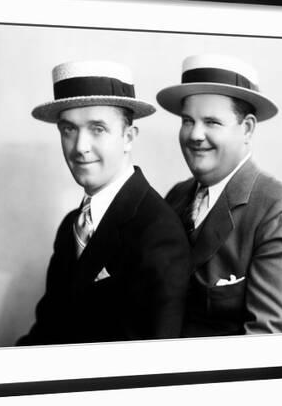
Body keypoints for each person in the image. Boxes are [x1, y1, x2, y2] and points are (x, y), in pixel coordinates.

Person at [17, 60, 191, 346]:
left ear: (128, 137)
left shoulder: (158, 233)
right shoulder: (70, 227)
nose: (80, 146)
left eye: (97, 128)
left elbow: (153, 363)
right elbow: (46, 331)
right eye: (68, 129)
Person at [157, 54, 282, 336]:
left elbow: (270, 342)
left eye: (212, 122)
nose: (195, 135)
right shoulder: (177, 198)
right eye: (187, 121)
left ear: (247, 128)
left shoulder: (280, 212)